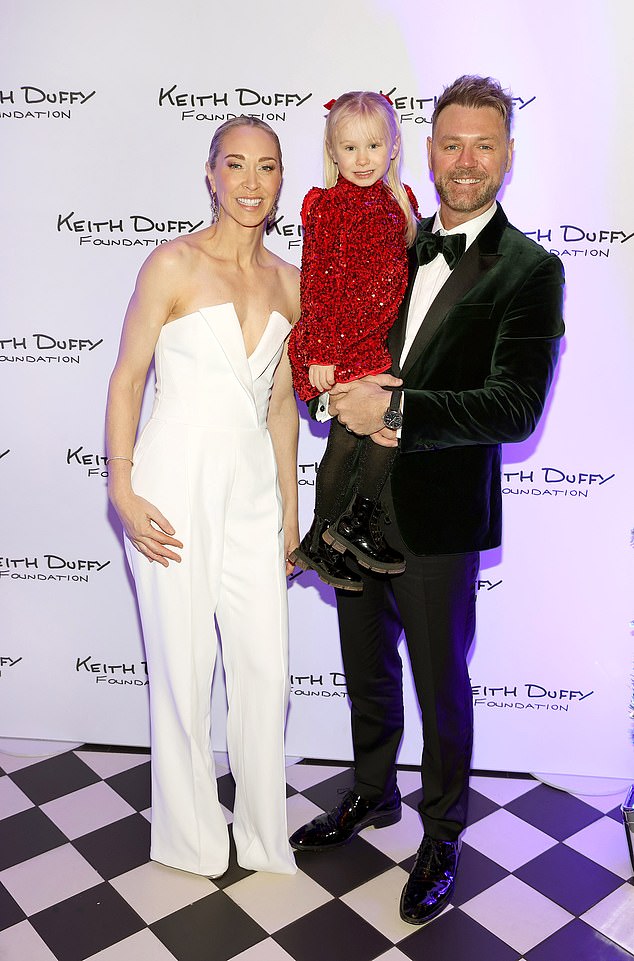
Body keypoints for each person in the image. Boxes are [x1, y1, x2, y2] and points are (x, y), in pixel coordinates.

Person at [289, 76, 565, 924]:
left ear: (509, 156)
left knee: (441, 683)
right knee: (365, 661)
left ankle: (443, 831)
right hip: (354, 497)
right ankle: (372, 792)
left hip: (439, 516)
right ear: (429, 150)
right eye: (453, 143)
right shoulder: (391, 231)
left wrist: (397, 409)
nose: (466, 161)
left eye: (485, 144)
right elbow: (336, 320)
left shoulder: (529, 269)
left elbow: (513, 406)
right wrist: (323, 387)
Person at [105, 116, 299, 877]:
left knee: (265, 668)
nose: (252, 183)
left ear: (282, 180)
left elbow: (281, 404)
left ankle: (261, 833)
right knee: (182, 666)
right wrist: (121, 484)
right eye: (236, 165)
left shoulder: (291, 281)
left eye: (268, 167)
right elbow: (126, 379)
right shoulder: (171, 264)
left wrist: (290, 507)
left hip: (252, 491)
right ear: (210, 174)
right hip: (171, 485)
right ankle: (190, 838)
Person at [287, 91, 419, 591]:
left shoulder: (400, 201)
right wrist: (320, 347)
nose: (361, 160)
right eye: (349, 148)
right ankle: (331, 532)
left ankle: (343, 529)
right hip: (338, 343)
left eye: (372, 146)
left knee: (378, 428)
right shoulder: (330, 207)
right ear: (331, 151)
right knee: (353, 439)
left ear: (393, 146)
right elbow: (316, 279)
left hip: (373, 340)